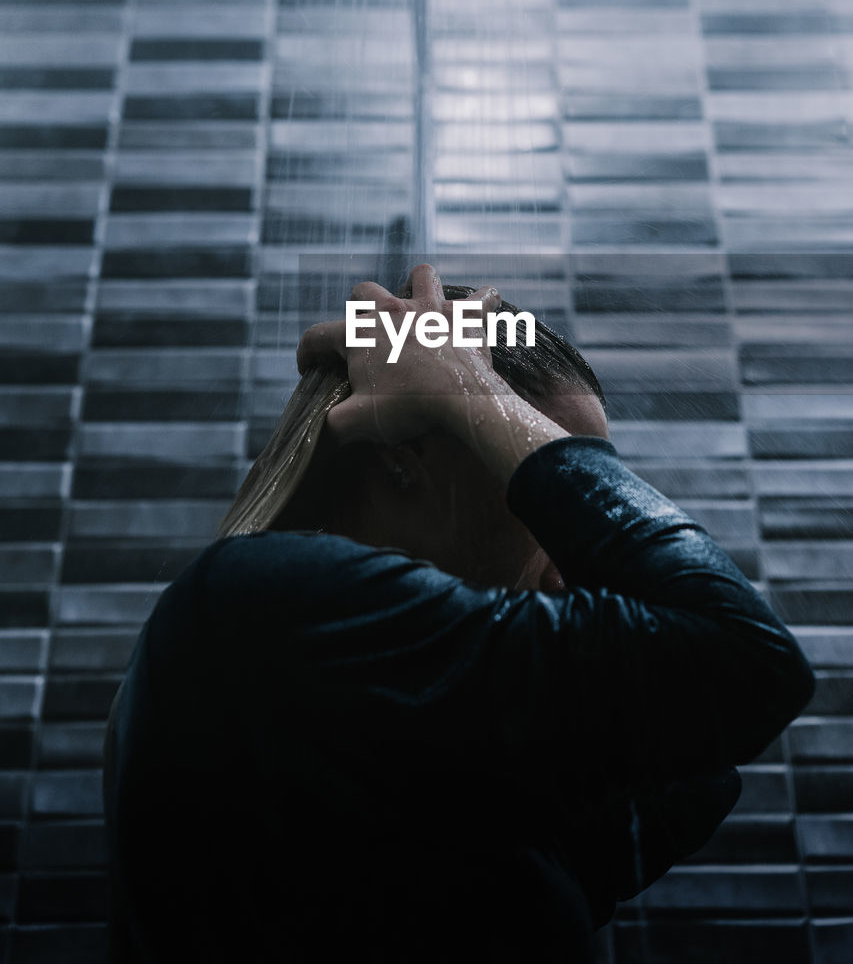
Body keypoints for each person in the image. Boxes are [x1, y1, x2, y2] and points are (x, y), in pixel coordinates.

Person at [102, 264, 815, 963]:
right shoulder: (260, 608)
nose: (567, 538)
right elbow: (742, 663)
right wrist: (469, 387)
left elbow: (698, 759)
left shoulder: (415, 719)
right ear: (406, 452)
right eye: (530, 465)